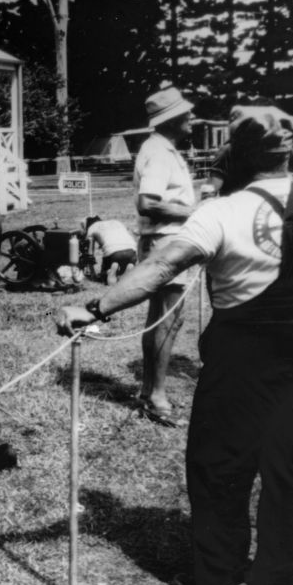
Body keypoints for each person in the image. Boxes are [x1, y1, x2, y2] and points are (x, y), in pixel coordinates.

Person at [55, 106, 293, 585]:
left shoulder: (220, 211)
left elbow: (160, 266)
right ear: (292, 154)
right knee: (288, 471)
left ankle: (223, 584)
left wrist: (93, 306)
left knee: (219, 468)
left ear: (239, 156)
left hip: (239, 362)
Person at [132, 85, 197, 423]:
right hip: (165, 243)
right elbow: (149, 202)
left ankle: (149, 391)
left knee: (163, 317)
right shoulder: (158, 152)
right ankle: (157, 396)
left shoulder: (162, 149)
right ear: (172, 119)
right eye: (187, 113)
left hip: (166, 242)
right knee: (167, 319)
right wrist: (194, 213)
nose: (192, 118)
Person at [84, 216, 137, 285]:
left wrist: (92, 273)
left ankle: (109, 271)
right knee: (122, 271)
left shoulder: (92, 228)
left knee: (104, 275)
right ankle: (126, 269)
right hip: (132, 251)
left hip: (114, 253)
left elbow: (90, 254)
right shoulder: (116, 222)